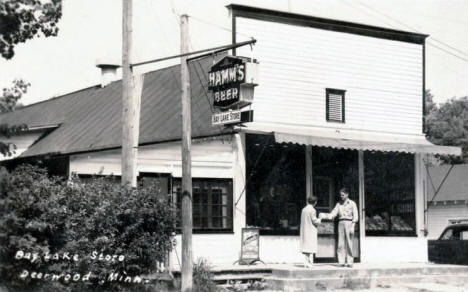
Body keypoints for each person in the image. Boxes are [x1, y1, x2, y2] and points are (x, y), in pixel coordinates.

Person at [322, 187, 358, 267]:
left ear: (347, 194)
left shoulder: (352, 203)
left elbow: (356, 216)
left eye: (343, 195)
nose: (341, 196)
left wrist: (353, 226)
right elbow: (333, 213)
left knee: (349, 243)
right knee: (340, 243)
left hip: (349, 223)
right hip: (341, 223)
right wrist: (325, 216)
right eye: (340, 195)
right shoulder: (338, 204)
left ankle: (350, 262)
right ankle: (341, 262)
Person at [300, 196, 321, 268]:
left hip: (304, 229)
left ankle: (306, 262)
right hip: (310, 230)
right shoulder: (312, 210)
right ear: (315, 202)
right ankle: (308, 263)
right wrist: (320, 219)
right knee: (309, 247)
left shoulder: (304, 209)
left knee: (306, 247)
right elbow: (315, 221)